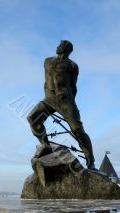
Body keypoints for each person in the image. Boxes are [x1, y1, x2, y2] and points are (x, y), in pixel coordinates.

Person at [27, 40, 96, 169]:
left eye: (61, 45)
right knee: (33, 118)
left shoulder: (72, 66)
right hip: (48, 100)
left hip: (65, 100)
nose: (57, 47)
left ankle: (90, 161)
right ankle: (46, 146)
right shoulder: (47, 61)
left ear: (66, 49)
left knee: (78, 131)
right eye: (58, 45)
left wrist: (69, 104)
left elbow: (73, 86)